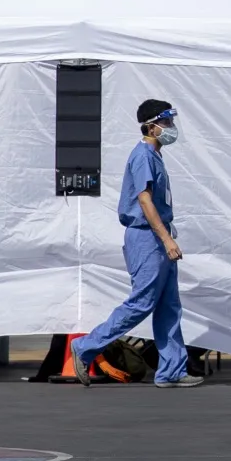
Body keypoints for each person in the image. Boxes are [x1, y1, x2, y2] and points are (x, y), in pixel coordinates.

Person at [71, 100, 199, 388]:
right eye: (166, 122)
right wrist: (166, 239)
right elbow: (144, 200)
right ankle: (86, 346)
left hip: (157, 235)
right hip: (147, 237)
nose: (171, 127)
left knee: (169, 306)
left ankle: (172, 370)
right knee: (142, 303)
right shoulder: (143, 157)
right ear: (151, 127)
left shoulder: (154, 156)